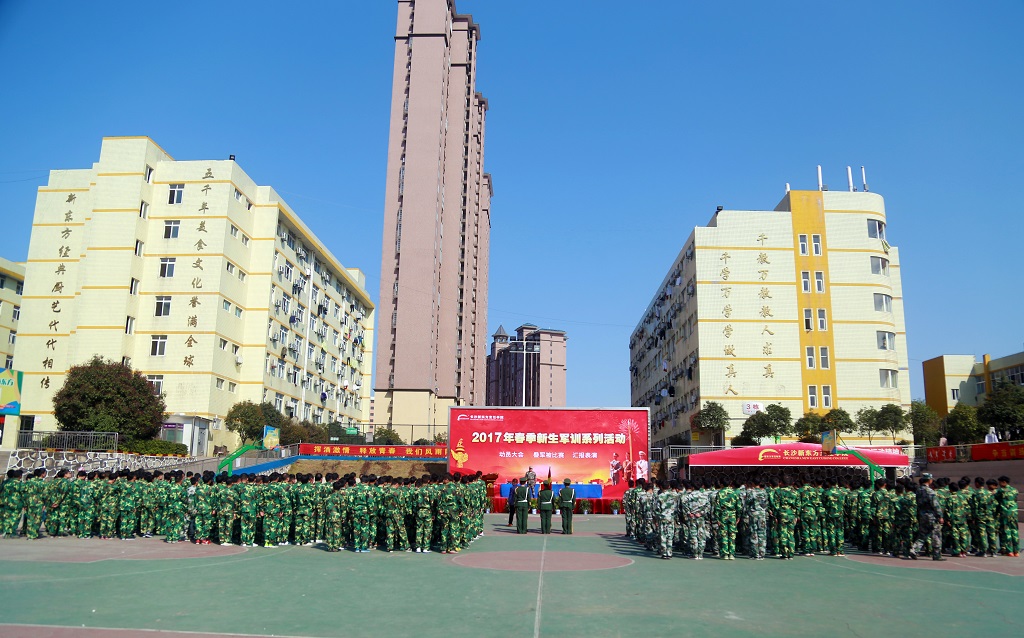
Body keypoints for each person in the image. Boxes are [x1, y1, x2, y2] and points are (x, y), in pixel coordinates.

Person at [910, 474, 945, 561]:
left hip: (922, 515)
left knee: (923, 534)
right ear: (929, 480)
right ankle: (936, 555)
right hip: (931, 516)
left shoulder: (919, 490)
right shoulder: (930, 491)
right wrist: (940, 516)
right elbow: (935, 505)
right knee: (936, 535)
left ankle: (914, 549)